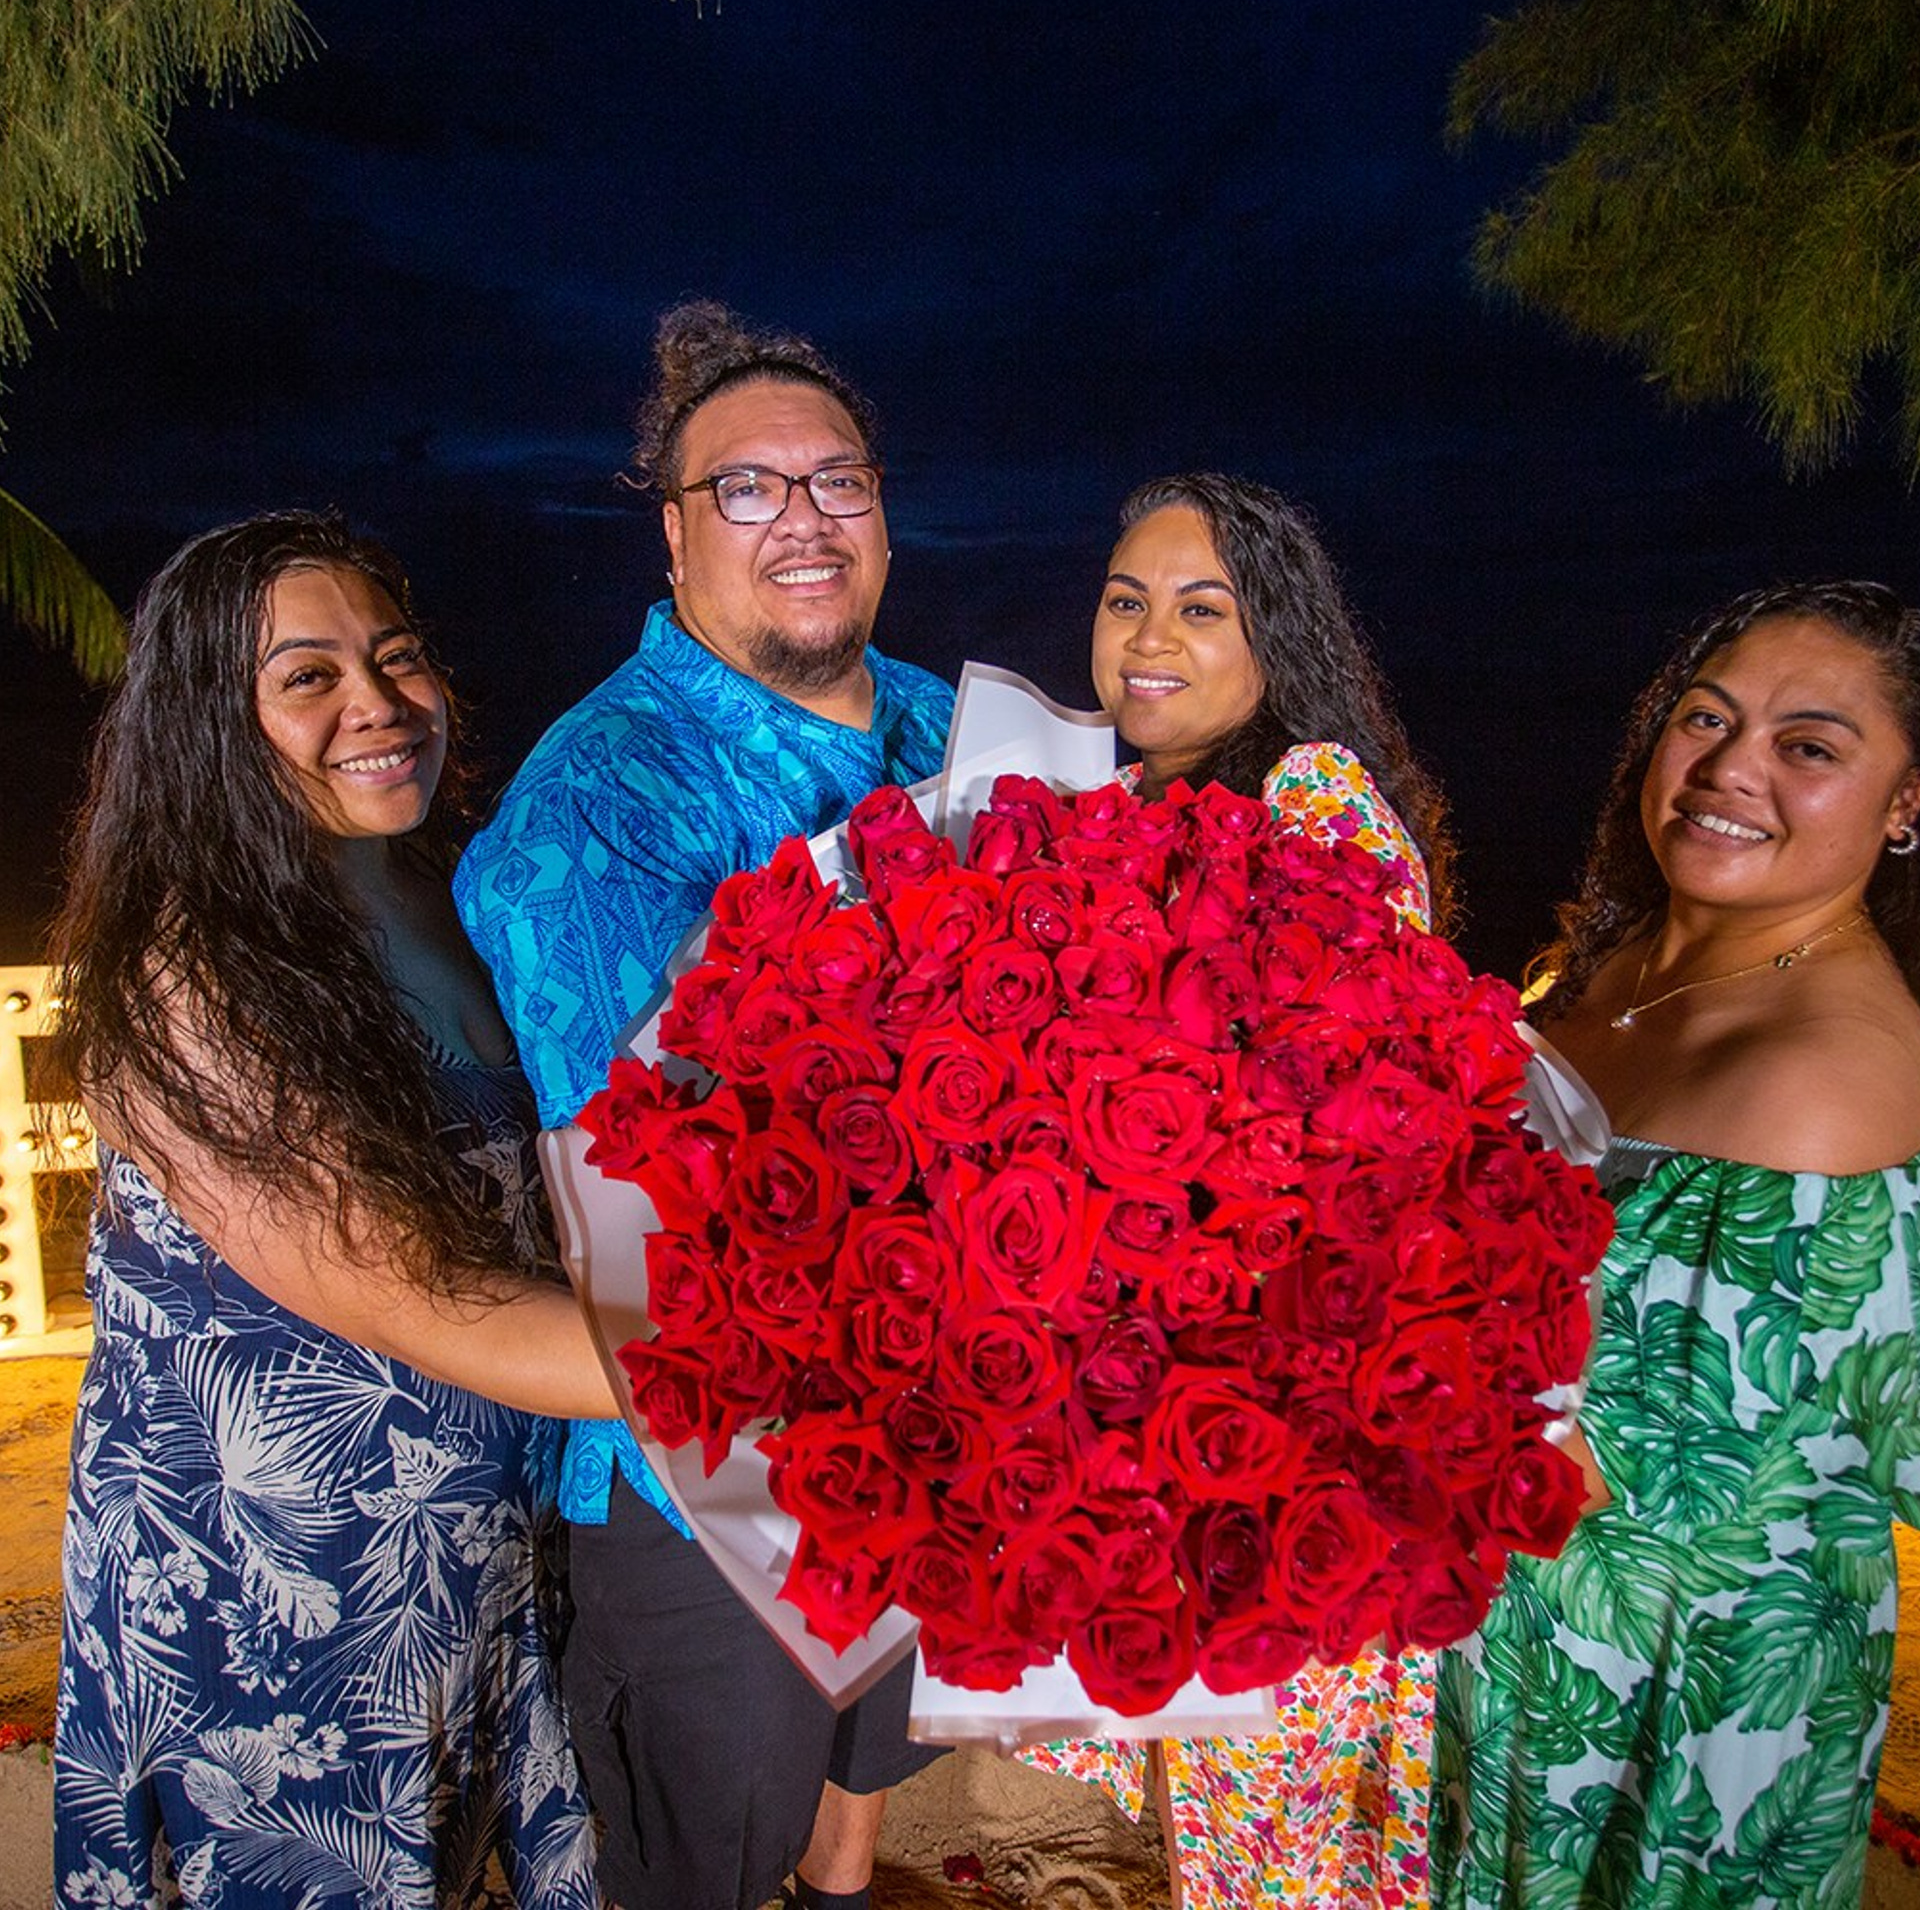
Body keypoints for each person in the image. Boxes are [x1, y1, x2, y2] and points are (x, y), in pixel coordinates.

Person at [456, 301, 953, 1910]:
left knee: (858, 1810)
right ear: (673, 539)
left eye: (840, 481)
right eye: (749, 489)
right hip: (707, 1482)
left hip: (944, 1410)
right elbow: (646, 1211)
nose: (805, 518)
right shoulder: (586, 810)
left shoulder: (962, 732)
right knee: (700, 1855)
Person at [50, 512, 619, 1908]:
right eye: (309, 677)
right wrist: (800, 1364)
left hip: (473, 1539)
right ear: (206, 722)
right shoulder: (188, 982)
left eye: (398, 657)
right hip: (283, 1600)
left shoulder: (443, 896)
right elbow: (423, 1297)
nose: (379, 704)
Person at [1432, 582, 1920, 1907]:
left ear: (1905, 801)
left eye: (1808, 747)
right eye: (1706, 719)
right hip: (1502, 1667)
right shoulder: (1605, 974)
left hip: (1669, 1726)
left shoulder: (1840, 1085)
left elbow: (1668, 1479)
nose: (1726, 771)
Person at [1020, 471, 1456, 1908]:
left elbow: (1335, 1115)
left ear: (1275, 635)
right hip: (1188, 1410)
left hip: (1295, 1422)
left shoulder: (1309, 796)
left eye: (1203, 608)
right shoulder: (1129, 805)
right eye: (1127, 598)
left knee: (1289, 1848)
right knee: (1225, 1827)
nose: (1149, 636)